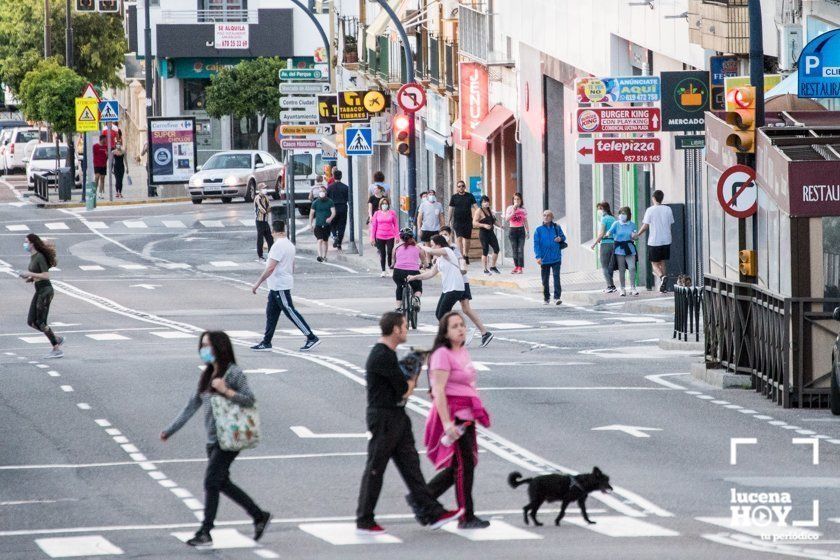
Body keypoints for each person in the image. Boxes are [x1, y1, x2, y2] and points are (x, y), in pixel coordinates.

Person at [161, 331, 271, 547]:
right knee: (222, 482)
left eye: (207, 345)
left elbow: (250, 400)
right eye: (202, 345)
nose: (204, 350)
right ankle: (259, 515)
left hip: (229, 439)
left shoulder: (233, 373)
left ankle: (205, 531)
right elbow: (191, 405)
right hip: (213, 440)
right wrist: (169, 430)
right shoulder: (207, 374)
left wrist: (227, 391)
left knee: (211, 481)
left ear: (220, 348)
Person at [356, 312, 463, 534]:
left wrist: (410, 367)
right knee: (375, 468)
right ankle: (364, 519)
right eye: (405, 326)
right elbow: (405, 390)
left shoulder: (387, 354)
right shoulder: (382, 355)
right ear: (395, 330)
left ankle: (431, 513)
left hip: (397, 417)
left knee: (411, 467)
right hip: (384, 418)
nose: (406, 330)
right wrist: (415, 369)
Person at [424, 311, 492, 529]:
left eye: (462, 325)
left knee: (460, 465)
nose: (461, 329)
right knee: (465, 466)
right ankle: (466, 516)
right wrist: (446, 424)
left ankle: (422, 499)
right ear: (445, 331)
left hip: (467, 414)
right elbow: (439, 391)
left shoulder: (461, 351)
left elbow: (467, 383)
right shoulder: (442, 354)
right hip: (454, 415)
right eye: (455, 326)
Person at [250, 220, 321, 352]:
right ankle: (266, 342)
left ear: (273, 231)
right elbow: (292, 265)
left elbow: (270, 267)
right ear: (284, 229)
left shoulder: (278, 246)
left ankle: (311, 337)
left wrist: (257, 283)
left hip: (279, 285)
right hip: (279, 284)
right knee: (271, 313)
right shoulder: (289, 244)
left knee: (289, 311)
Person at [423, 227, 494, 348]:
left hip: (461, 281)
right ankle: (482, 332)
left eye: (446, 234)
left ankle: (467, 332)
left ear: (450, 235)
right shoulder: (441, 249)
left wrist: (463, 268)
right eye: (442, 234)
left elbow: (461, 260)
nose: (444, 235)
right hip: (455, 282)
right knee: (464, 309)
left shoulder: (453, 248)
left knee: (457, 310)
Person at [19, 234, 64, 358]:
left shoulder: (39, 256)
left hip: (45, 290)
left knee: (41, 322)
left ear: (33, 243)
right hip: (39, 290)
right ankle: (56, 338)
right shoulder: (33, 256)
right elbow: (38, 274)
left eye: (26, 242)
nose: (25, 244)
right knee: (31, 322)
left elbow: (46, 275)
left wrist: (29, 273)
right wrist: (30, 278)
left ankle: (56, 348)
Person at [407, 235, 466, 321]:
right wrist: (415, 277)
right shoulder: (440, 259)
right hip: (448, 289)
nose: (432, 246)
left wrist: (421, 246)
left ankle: (452, 330)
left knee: (442, 314)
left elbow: (431, 251)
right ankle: (451, 329)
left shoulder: (447, 251)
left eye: (433, 244)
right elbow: (430, 273)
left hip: (455, 287)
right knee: (439, 314)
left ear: (438, 245)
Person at [634, 190, 674, 293]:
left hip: (654, 241)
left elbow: (646, 225)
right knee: (662, 262)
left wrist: (638, 234)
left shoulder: (650, 210)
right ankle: (664, 286)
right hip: (666, 239)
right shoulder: (668, 209)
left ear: (653, 198)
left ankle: (662, 277)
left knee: (654, 264)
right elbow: (670, 224)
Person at [533, 210, 566, 305]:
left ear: (552, 217)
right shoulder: (538, 230)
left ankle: (557, 297)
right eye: (544, 215)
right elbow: (536, 244)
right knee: (545, 279)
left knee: (556, 277)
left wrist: (560, 238)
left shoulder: (557, 227)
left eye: (548, 215)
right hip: (544, 258)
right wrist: (538, 257)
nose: (546, 217)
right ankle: (546, 298)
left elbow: (563, 237)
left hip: (556, 257)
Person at [608, 207, 639, 297]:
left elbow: (635, 236)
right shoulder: (616, 224)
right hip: (619, 249)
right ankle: (622, 288)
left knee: (632, 268)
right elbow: (609, 231)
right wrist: (608, 234)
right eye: (621, 213)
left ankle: (633, 288)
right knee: (621, 269)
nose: (622, 215)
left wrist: (635, 236)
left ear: (628, 215)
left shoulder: (632, 225)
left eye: (624, 213)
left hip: (629, 248)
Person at [392, 228, 423, 312]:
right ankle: (416, 298)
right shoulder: (417, 247)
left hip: (399, 271)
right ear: (412, 237)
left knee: (399, 286)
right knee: (417, 287)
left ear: (401, 237)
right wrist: (423, 265)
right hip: (413, 272)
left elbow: (393, 261)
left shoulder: (396, 247)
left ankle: (398, 307)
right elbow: (424, 261)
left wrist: (393, 265)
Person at [590, 201, 617, 293]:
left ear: (602, 209)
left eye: (599, 209)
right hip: (614, 243)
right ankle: (611, 285)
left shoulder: (604, 219)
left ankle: (610, 286)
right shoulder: (613, 218)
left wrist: (594, 243)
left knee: (604, 266)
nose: (598, 211)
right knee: (610, 266)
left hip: (605, 243)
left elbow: (601, 233)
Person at [448, 180, 477, 264]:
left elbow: (476, 207)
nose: (461, 187)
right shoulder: (454, 197)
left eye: (462, 186)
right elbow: (450, 209)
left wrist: (479, 216)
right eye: (459, 186)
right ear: (457, 188)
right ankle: (461, 257)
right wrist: (449, 221)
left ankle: (466, 255)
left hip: (468, 221)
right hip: (457, 221)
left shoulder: (470, 196)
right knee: (459, 238)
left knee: (467, 240)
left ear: (465, 187)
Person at [370, 197, 399, 277]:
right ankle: (383, 270)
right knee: (382, 253)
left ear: (388, 205)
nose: (384, 205)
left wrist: (397, 236)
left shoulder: (392, 213)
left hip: (390, 235)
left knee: (390, 252)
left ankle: (390, 268)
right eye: (383, 204)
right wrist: (372, 238)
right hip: (379, 236)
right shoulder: (377, 213)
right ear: (380, 205)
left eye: (386, 204)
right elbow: (374, 226)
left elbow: (396, 225)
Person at [473, 196, 501, 275]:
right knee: (485, 250)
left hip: (491, 233)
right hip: (483, 233)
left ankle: (493, 266)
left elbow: (494, 220)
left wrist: (500, 226)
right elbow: (474, 222)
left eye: (487, 201)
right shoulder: (479, 211)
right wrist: (484, 225)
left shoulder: (490, 210)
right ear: (481, 203)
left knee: (496, 249)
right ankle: (485, 269)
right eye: (484, 202)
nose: (486, 203)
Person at [418, 190, 445, 266]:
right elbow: (419, 217)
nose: (431, 195)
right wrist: (419, 229)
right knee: (427, 245)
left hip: (436, 228)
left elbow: (441, 217)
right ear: (427, 195)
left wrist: (442, 228)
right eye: (430, 194)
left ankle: (435, 260)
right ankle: (429, 262)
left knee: (436, 245)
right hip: (426, 228)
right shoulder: (423, 205)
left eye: (433, 194)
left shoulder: (438, 205)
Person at [309, 186, 336, 263]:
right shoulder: (315, 203)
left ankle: (324, 256)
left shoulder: (330, 202)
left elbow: (333, 212)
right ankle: (319, 256)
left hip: (327, 225)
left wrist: (330, 218)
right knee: (319, 240)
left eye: (323, 191)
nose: (321, 193)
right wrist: (310, 224)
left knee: (325, 241)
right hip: (318, 224)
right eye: (320, 191)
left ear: (325, 192)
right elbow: (311, 214)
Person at [504, 192, 529, 274]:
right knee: (514, 250)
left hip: (521, 230)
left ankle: (520, 268)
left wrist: (527, 231)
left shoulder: (523, 210)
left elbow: (525, 221)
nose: (516, 201)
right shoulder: (509, 208)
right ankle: (516, 266)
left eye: (518, 199)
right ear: (513, 200)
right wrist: (513, 211)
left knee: (520, 249)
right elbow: (507, 219)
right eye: (515, 199)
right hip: (512, 230)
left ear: (521, 200)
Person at [327, 169, 350, 251]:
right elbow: (349, 199)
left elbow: (327, 198)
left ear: (333, 176)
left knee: (332, 224)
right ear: (341, 177)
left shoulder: (330, 187)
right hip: (343, 207)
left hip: (333, 208)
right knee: (342, 225)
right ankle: (339, 243)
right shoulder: (346, 187)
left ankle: (334, 236)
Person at [254, 184, 273, 262]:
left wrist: (267, 210)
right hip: (259, 220)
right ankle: (260, 256)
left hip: (265, 220)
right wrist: (267, 210)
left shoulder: (266, 197)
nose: (265, 189)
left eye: (265, 188)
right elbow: (263, 209)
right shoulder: (257, 198)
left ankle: (271, 254)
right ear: (260, 189)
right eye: (264, 188)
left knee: (270, 238)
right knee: (260, 238)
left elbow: (269, 207)